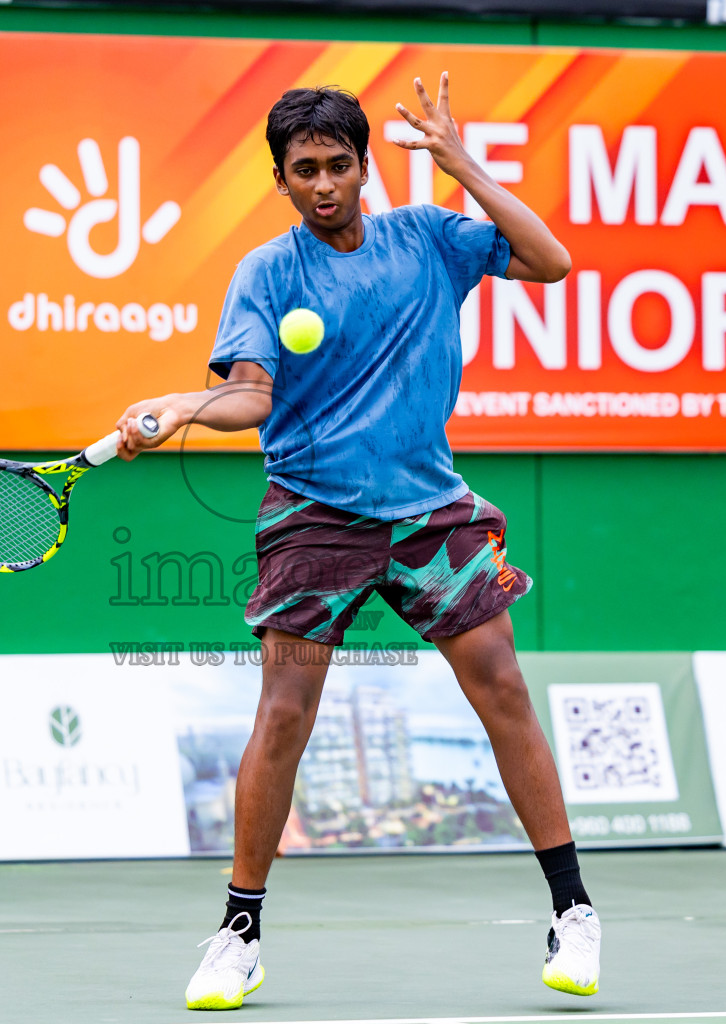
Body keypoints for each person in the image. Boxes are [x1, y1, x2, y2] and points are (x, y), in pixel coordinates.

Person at [114, 75, 601, 1009]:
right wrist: (183, 405)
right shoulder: (267, 272)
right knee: (286, 714)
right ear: (282, 180)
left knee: (500, 680)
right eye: (306, 171)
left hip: (429, 512)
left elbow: (551, 262)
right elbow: (252, 395)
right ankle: (239, 933)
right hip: (314, 516)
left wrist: (461, 164)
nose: (326, 183)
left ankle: (572, 909)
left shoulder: (429, 239)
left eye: (341, 165)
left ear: (365, 165)